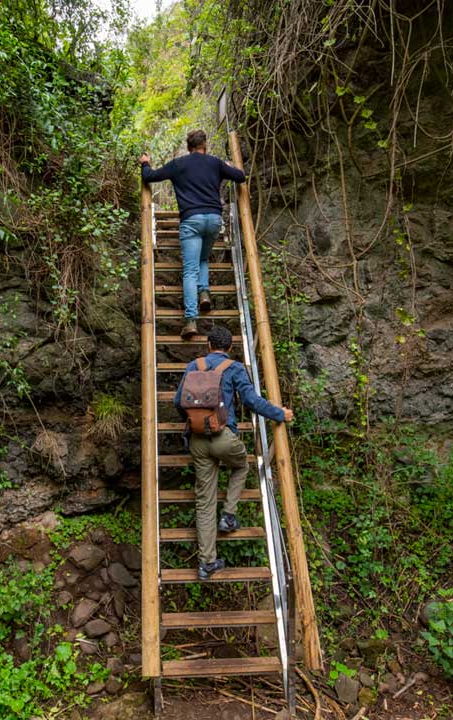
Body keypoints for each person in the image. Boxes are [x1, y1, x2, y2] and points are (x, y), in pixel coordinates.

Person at [173, 324, 294, 580]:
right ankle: (229, 515)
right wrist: (279, 413)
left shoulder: (193, 366)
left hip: (196, 440)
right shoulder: (235, 368)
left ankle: (207, 563)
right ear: (229, 348)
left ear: (208, 346)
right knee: (241, 465)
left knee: (204, 502)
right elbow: (251, 401)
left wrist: (197, 421)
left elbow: (177, 401)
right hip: (223, 438)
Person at [140, 129, 247, 340]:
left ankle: (190, 321)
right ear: (204, 146)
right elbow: (240, 176)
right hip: (214, 220)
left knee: (190, 270)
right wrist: (227, 166)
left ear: (189, 147)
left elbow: (150, 177)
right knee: (203, 258)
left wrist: (145, 162)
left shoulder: (179, 164)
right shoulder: (215, 163)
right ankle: (204, 292)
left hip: (191, 220)